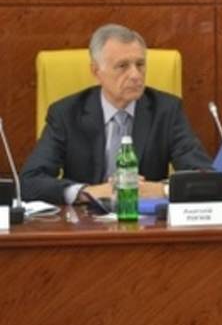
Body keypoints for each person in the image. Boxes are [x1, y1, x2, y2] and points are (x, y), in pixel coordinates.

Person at [21, 24, 212, 205]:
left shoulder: (166, 110)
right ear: (96, 71)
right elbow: (30, 181)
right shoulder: (66, 113)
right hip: (84, 222)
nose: (135, 75)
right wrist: (87, 193)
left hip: (147, 220)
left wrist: (162, 190)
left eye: (140, 64)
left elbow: (205, 177)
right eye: (122, 66)